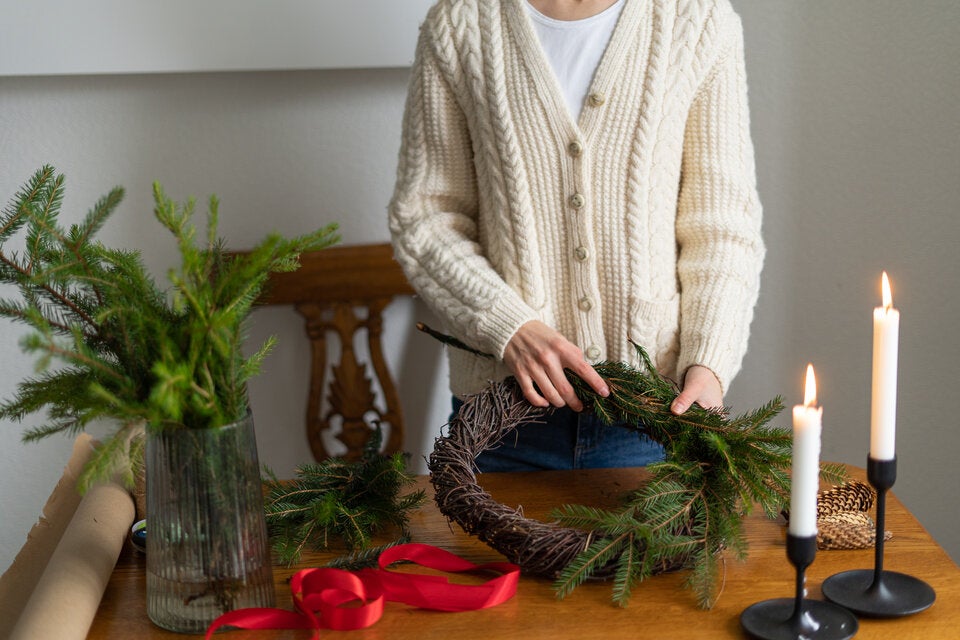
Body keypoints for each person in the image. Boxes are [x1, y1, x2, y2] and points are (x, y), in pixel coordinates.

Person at [388, 0, 764, 471]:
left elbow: (723, 225)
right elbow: (426, 217)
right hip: (501, 423)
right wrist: (509, 326)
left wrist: (708, 362)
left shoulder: (698, 19)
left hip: (652, 418)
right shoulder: (461, 22)